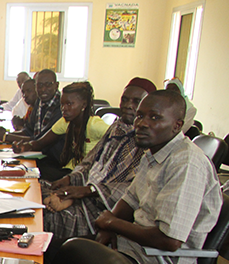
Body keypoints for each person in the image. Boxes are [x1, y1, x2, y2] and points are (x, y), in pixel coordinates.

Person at [94, 90, 222, 264]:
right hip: (133, 247)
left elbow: (169, 240)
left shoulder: (186, 164)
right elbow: (131, 199)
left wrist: (111, 223)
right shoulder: (153, 153)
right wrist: (107, 227)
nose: (142, 123)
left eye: (155, 117)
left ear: (176, 126)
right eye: (140, 115)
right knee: (58, 251)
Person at [42, 77, 157, 239]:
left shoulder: (148, 141)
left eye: (136, 101)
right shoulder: (117, 128)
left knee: (43, 215)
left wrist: (86, 191)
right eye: (124, 99)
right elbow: (90, 161)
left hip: (102, 208)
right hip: (85, 192)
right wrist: (70, 179)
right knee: (36, 190)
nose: (127, 105)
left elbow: (133, 191)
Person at [14, 82, 109, 180]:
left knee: (38, 173)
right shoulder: (66, 121)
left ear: (83, 105)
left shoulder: (95, 125)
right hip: (71, 170)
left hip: (86, 175)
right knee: (33, 169)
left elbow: (117, 140)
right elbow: (41, 142)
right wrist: (26, 146)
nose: (64, 109)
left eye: (69, 104)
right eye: (62, 104)